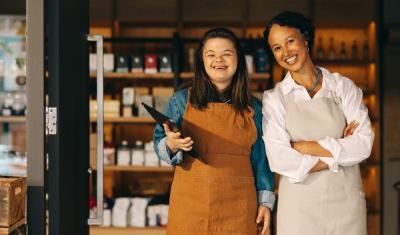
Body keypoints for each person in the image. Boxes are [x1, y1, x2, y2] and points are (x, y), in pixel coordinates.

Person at [153, 27, 275, 235]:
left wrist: (265, 203)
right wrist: (170, 144)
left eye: (227, 54)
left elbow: (262, 160)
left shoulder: (253, 109)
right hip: (191, 207)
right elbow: (159, 141)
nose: (219, 60)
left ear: (239, 60)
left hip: (240, 208)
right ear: (201, 60)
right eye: (211, 55)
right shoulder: (181, 101)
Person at [261, 11, 374, 235]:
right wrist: (339, 150)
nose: (286, 53)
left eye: (290, 41)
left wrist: (304, 148)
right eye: (277, 48)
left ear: (305, 39)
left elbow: (363, 145)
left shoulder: (343, 87)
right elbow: (280, 160)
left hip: (347, 205)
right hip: (298, 210)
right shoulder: (274, 99)